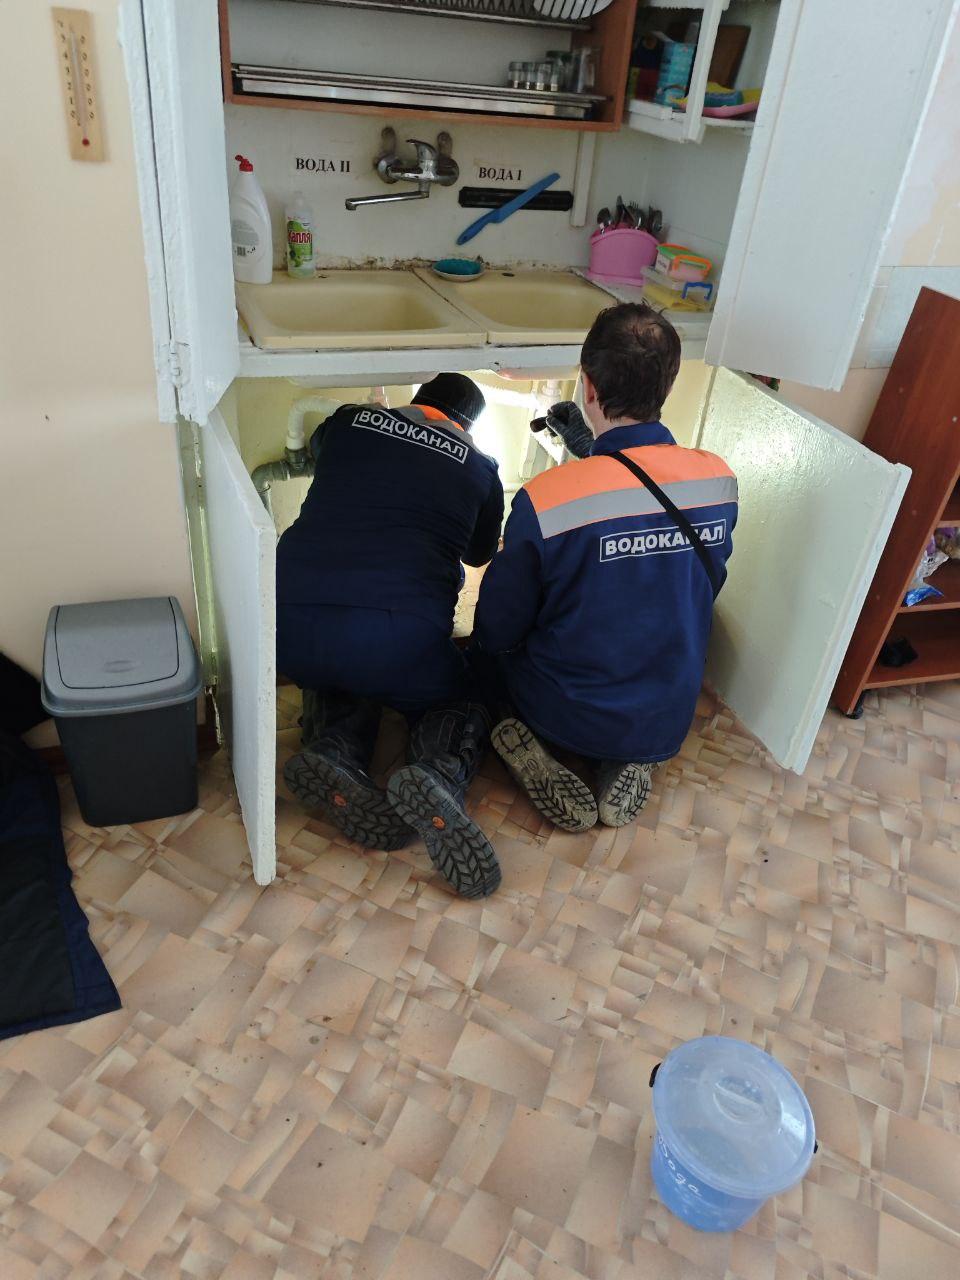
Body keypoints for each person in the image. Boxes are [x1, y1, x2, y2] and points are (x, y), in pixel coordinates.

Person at [471, 302, 738, 832]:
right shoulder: (718, 480)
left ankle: (535, 746)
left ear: (588, 387)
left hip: (565, 710)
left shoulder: (546, 499)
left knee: (481, 663)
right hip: (666, 714)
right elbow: (696, 579)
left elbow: (499, 625)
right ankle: (628, 757)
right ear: (669, 384)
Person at [276, 374, 504, 898]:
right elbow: (478, 554)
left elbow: (318, 452)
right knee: (463, 691)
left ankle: (335, 749)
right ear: (468, 425)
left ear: (418, 399)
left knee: (337, 665)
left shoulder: (349, 420)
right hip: (399, 637)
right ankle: (438, 773)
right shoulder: (481, 467)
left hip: (289, 623)